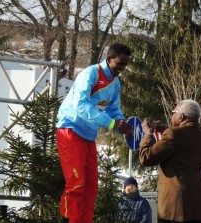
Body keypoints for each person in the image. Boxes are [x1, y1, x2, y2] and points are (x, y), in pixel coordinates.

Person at [56, 43, 133, 223]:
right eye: (119, 64)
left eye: (125, 65)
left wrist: (123, 125)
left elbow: (114, 110)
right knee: (77, 184)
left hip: (88, 135)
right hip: (70, 129)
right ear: (109, 59)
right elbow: (80, 106)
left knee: (91, 187)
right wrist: (112, 123)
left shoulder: (115, 83)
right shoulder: (90, 74)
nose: (121, 69)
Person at [139, 99, 201, 223]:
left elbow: (146, 158)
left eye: (174, 112)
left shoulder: (173, 134)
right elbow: (184, 145)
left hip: (175, 209)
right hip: (198, 207)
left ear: (181, 116)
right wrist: (167, 130)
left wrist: (148, 134)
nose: (173, 115)